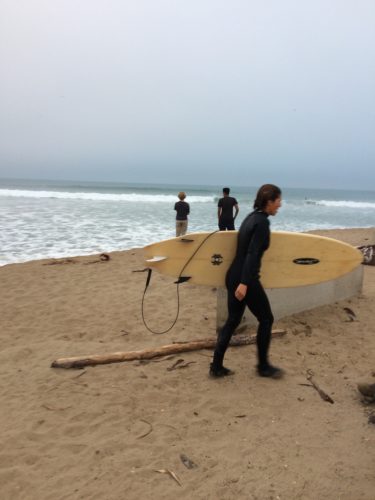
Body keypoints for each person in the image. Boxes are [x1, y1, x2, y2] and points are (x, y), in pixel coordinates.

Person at [210, 184, 283, 379]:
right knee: (266, 318)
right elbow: (251, 254)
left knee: (233, 320)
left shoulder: (250, 218)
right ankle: (263, 366)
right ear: (269, 201)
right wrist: (244, 282)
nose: (280, 204)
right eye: (278, 201)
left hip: (233, 274)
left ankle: (216, 366)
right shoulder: (262, 223)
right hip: (245, 277)